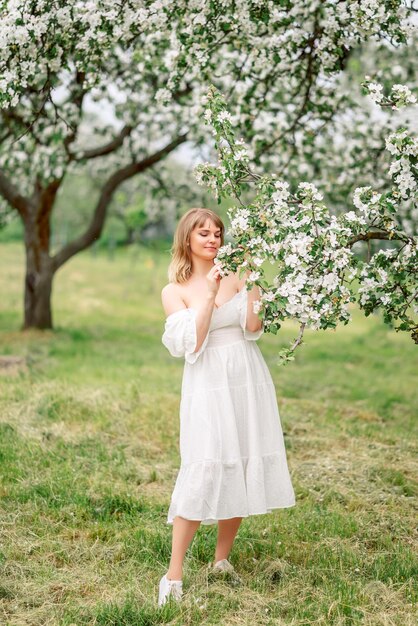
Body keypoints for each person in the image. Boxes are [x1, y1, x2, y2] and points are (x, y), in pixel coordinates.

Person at [158, 207, 295, 606]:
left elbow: (253, 328)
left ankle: (221, 560)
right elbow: (193, 344)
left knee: (241, 459)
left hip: (246, 376)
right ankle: (174, 574)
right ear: (188, 239)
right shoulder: (176, 290)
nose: (213, 239)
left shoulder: (237, 274)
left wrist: (250, 279)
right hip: (207, 381)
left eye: (217, 232)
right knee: (204, 464)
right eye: (203, 233)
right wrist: (213, 294)